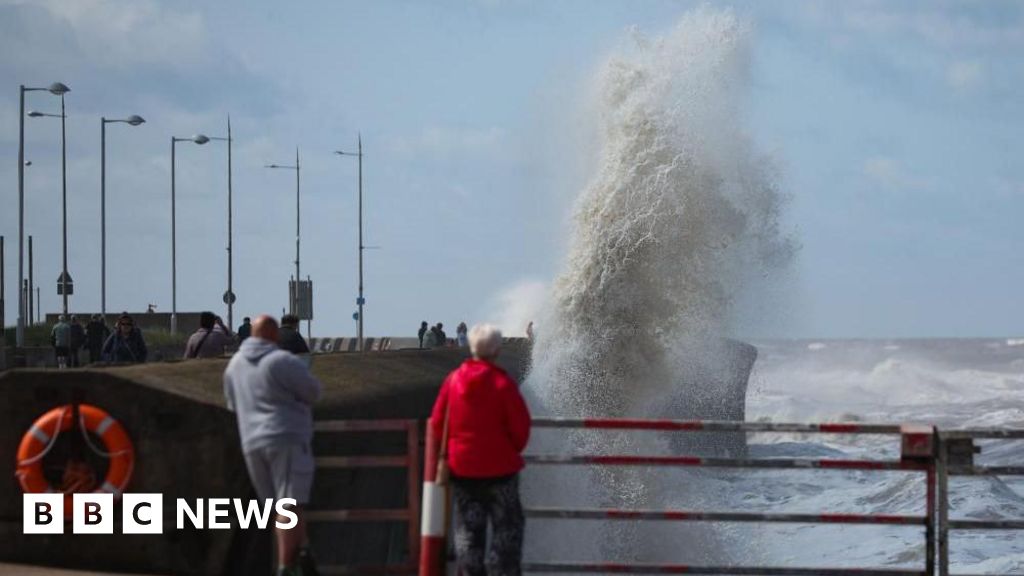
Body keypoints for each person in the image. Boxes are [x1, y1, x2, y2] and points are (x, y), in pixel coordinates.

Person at [223, 315, 322, 576]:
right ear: (274, 335)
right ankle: (286, 567)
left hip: (251, 442)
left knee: (277, 507)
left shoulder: (234, 366)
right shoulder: (282, 361)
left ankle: (303, 553)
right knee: (289, 504)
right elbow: (313, 393)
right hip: (285, 438)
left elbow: (232, 405)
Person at [429, 324, 530, 576]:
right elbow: (521, 429)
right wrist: (509, 448)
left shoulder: (453, 381)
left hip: (464, 472)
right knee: (507, 532)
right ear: (496, 351)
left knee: (469, 533)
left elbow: (438, 423)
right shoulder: (502, 384)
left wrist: (455, 450)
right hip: (501, 473)